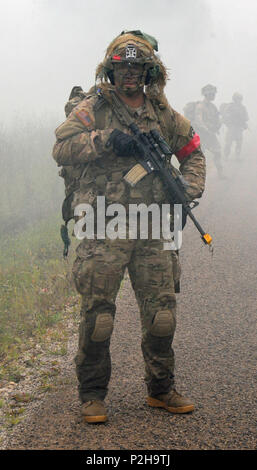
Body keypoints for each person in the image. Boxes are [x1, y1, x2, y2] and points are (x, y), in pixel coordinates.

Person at [52, 30, 206, 424]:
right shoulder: (93, 108)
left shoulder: (163, 114)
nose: (130, 75)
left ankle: (161, 390)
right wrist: (105, 140)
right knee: (98, 316)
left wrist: (187, 189)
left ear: (149, 71)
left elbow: (193, 152)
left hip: (153, 227)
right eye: (122, 68)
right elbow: (62, 147)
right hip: (103, 225)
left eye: (137, 68)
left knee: (161, 314)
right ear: (111, 70)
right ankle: (92, 396)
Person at [193, 84, 223, 177]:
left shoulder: (212, 106)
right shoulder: (200, 106)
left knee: (217, 152)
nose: (214, 95)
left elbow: (216, 118)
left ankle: (220, 174)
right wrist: (206, 129)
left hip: (210, 134)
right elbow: (198, 120)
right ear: (207, 94)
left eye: (214, 94)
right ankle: (195, 176)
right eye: (212, 94)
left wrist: (217, 126)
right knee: (198, 157)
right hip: (201, 135)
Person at [220, 92, 249, 160]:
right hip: (231, 127)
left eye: (239, 99)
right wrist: (231, 117)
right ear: (234, 99)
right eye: (237, 99)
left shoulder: (242, 107)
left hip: (239, 128)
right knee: (228, 142)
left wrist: (242, 120)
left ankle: (237, 156)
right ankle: (226, 156)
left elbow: (246, 117)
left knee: (239, 142)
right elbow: (225, 115)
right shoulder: (230, 106)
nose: (238, 100)